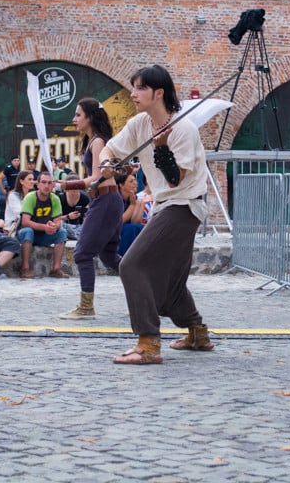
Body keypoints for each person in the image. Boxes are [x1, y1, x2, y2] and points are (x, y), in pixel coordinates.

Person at [99, 65, 215, 365]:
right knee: (172, 283)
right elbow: (110, 148)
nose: (133, 93)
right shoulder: (140, 123)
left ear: (158, 93)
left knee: (132, 265)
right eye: (133, 87)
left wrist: (162, 149)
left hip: (185, 204)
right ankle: (197, 333)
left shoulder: (183, 130)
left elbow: (175, 180)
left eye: (139, 88)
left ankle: (148, 343)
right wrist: (106, 165)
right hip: (167, 204)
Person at [57, 98, 121, 320]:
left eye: (77, 115)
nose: (74, 119)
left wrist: (70, 184)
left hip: (105, 201)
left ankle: (86, 307)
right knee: (110, 258)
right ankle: (152, 289)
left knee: (82, 254)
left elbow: (96, 177)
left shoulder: (97, 143)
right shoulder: (94, 140)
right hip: (107, 201)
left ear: (90, 117)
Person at [17, 171, 69, 279]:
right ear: (38, 184)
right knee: (27, 231)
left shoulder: (55, 199)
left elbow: (58, 221)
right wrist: (44, 227)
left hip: (45, 234)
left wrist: (54, 226)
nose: (46, 186)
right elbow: (25, 222)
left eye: (50, 183)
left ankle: (56, 269)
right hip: (29, 234)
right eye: (44, 182)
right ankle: (25, 269)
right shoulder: (30, 197)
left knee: (62, 232)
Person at [116, 170, 144, 257]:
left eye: (135, 180)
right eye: (131, 181)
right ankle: (124, 258)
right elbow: (119, 222)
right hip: (112, 230)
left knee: (142, 228)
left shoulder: (134, 198)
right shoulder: (116, 199)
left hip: (126, 228)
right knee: (131, 229)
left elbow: (135, 221)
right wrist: (133, 205)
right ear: (121, 185)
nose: (135, 183)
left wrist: (140, 204)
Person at [57, 173, 89, 241]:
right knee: (59, 224)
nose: (74, 188)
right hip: (65, 226)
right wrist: (68, 216)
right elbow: (55, 218)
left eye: (76, 185)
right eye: (72, 185)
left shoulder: (85, 198)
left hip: (80, 227)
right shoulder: (60, 198)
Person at [3, 170, 35, 236]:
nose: (32, 182)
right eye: (29, 179)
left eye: (33, 179)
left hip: (27, 225)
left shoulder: (32, 195)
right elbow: (20, 212)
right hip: (14, 229)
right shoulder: (13, 196)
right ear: (21, 181)